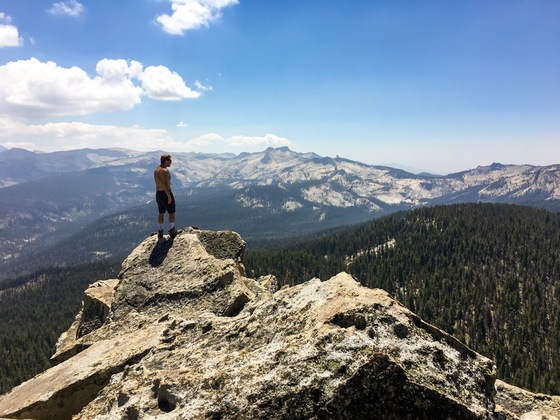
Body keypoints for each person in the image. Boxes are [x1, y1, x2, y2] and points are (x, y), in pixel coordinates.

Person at [154, 154, 181, 239]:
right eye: (170, 161)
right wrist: (169, 196)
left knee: (161, 212)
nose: (171, 162)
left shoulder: (156, 170)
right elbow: (165, 185)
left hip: (158, 193)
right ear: (166, 161)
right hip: (165, 193)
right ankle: (172, 230)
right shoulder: (164, 171)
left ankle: (160, 231)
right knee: (171, 212)